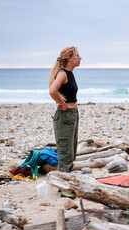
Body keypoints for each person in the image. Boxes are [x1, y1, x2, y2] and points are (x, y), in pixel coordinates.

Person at [49, 46, 81, 199]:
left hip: (72, 114)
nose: (80, 58)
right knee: (65, 151)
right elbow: (52, 90)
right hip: (65, 116)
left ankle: (63, 183)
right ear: (69, 58)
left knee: (72, 150)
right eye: (77, 55)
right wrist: (61, 103)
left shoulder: (70, 74)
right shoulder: (62, 74)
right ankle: (63, 189)